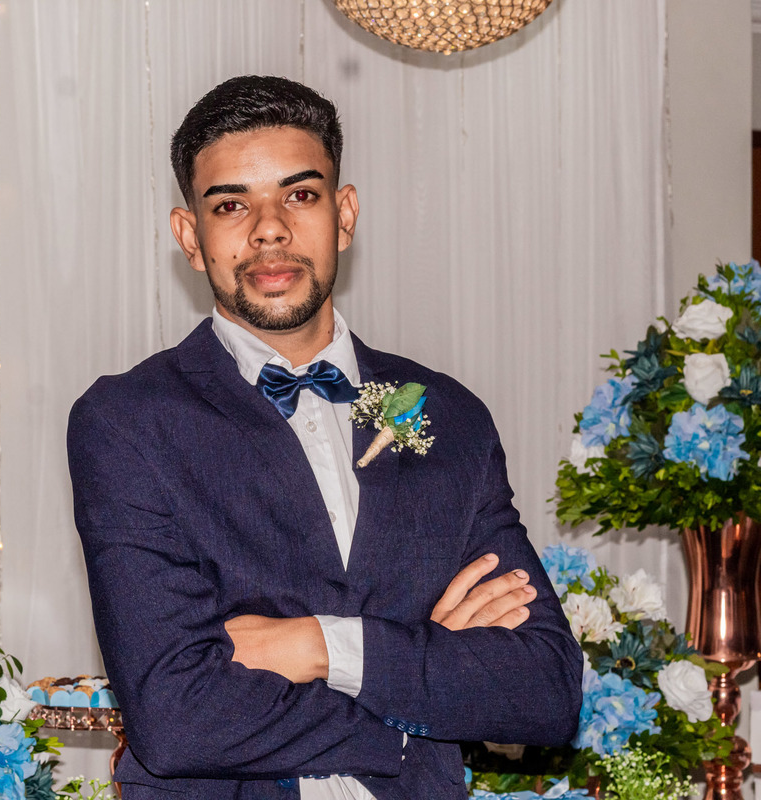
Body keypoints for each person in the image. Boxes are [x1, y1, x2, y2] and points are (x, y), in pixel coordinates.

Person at [67, 75, 582, 799]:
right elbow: (177, 718)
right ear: (190, 237)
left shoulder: (447, 413)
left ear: (344, 215)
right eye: (231, 205)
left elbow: (545, 690)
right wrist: (421, 696)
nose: (269, 229)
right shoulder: (128, 421)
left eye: (300, 195)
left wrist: (318, 646)